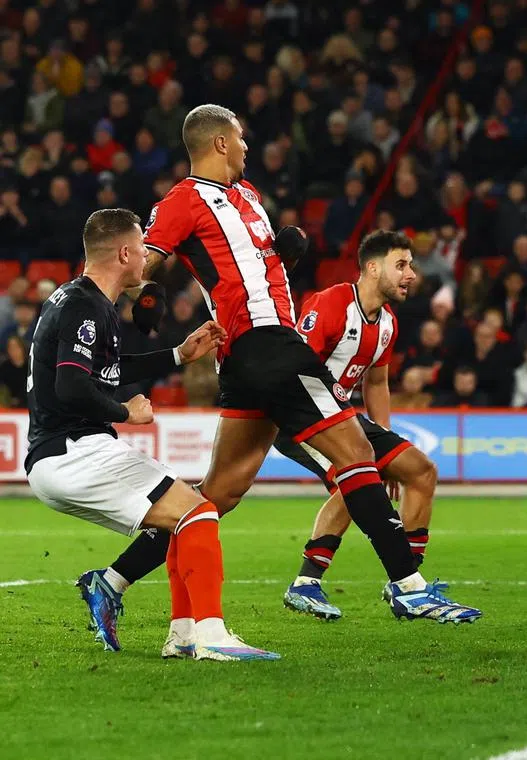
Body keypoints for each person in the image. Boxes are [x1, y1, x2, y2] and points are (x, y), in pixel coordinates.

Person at [76, 105, 480, 644]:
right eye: (240, 139)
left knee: (217, 494)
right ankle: (407, 584)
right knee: (357, 456)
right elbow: (137, 263)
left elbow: (254, 267)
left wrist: (282, 255)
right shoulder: (182, 200)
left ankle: (112, 580)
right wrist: (147, 294)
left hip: (256, 354)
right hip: (266, 345)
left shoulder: (249, 199)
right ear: (219, 143)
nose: (246, 147)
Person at [27, 208, 277, 661]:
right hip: (73, 451)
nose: (147, 253)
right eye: (142, 245)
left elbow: (104, 370)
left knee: (184, 511)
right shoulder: (86, 306)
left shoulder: (80, 300)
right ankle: (212, 635)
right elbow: (70, 385)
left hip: (59, 455)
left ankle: (182, 634)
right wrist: (124, 410)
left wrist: (178, 356)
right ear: (124, 252)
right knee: (200, 510)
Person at [276, 230, 444, 620]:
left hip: (345, 420)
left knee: (421, 472)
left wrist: (385, 442)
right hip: (301, 418)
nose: (411, 274)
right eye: (401, 265)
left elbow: (378, 382)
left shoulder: (387, 323)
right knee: (356, 482)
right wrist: (367, 458)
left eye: (411, 266)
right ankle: (306, 583)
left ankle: (407, 582)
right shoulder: (332, 303)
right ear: (371, 268)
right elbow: (293, 366)